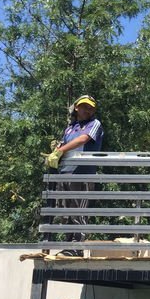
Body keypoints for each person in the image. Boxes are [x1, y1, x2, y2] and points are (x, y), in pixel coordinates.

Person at [44, 95, 104, 254]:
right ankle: (68, 246)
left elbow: (83, 139)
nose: (87, 110)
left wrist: (60, 150)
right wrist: (56, 151)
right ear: (76, 107)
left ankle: (77, 248)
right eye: (84, 106)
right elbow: (64, 145)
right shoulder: (70, 128)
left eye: (91, 108)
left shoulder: (94, 124)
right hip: (66, 172)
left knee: (79, 212)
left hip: (83, 174)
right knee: (67, 212)